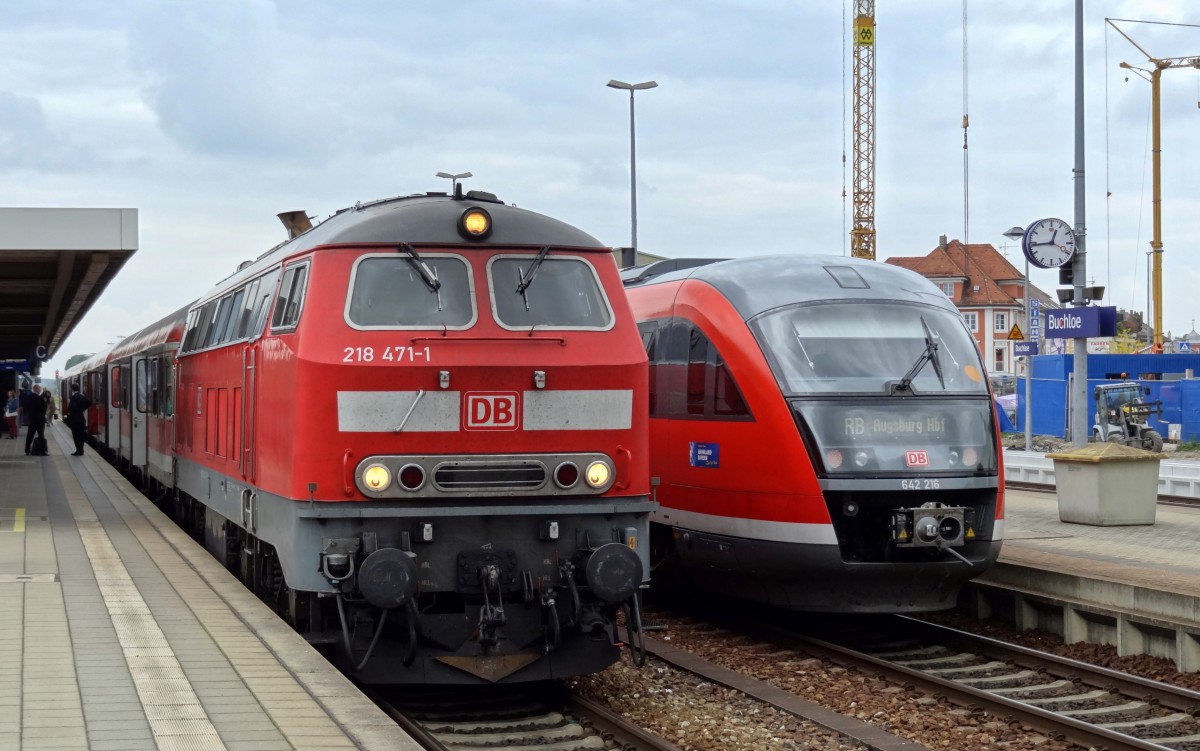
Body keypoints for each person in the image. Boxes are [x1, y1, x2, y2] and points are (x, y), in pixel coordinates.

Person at [65, 383, 91, 456]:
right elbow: (89, 403)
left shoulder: (73, 397)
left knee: (76, 435)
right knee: (81, 434)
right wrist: (82, 409)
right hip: (81, 418)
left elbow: (70, 408)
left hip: (75, 419)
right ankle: (81, 449)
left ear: (72, 389)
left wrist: (73, 412)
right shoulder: (82, 396)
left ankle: (79, 451)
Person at [22, 384, 47, 455]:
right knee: (41, 435)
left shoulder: (28, 398)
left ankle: (27, 450)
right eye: (39, 389)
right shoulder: (40, 398)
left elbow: (26, 407)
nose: (40, 390)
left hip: (32, 419)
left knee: (30, 435)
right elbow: (44, 409)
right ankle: (43, 451)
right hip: (40, 420)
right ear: (36, 389)